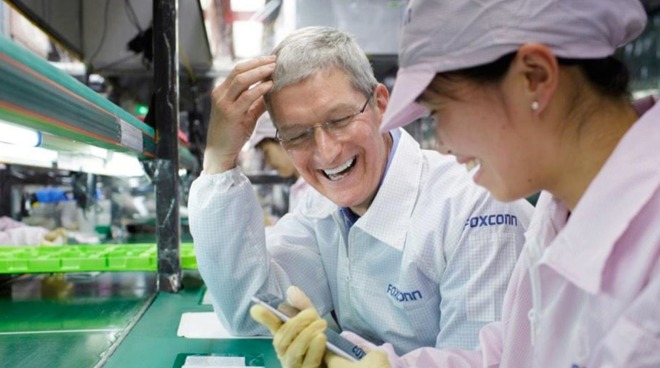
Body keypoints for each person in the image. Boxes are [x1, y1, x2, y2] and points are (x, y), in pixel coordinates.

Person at [261, 0, 660, 367]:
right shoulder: (559, 213)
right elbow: (510, 354)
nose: (445, 142)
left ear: (534, 78)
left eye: (439, 109)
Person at [188, 26, 533, 362]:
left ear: (380, 103)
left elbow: (484, 359)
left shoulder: (474, 206)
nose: (326, 152)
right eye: (297, 135)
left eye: (339, 119)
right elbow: (252, 312)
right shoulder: (320, 205)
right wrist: (219, 158)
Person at [247, 112, 313, 211]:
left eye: (267, 153)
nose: (268, 163)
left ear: (283, 140)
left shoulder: (313, 190)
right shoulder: (300, 188)